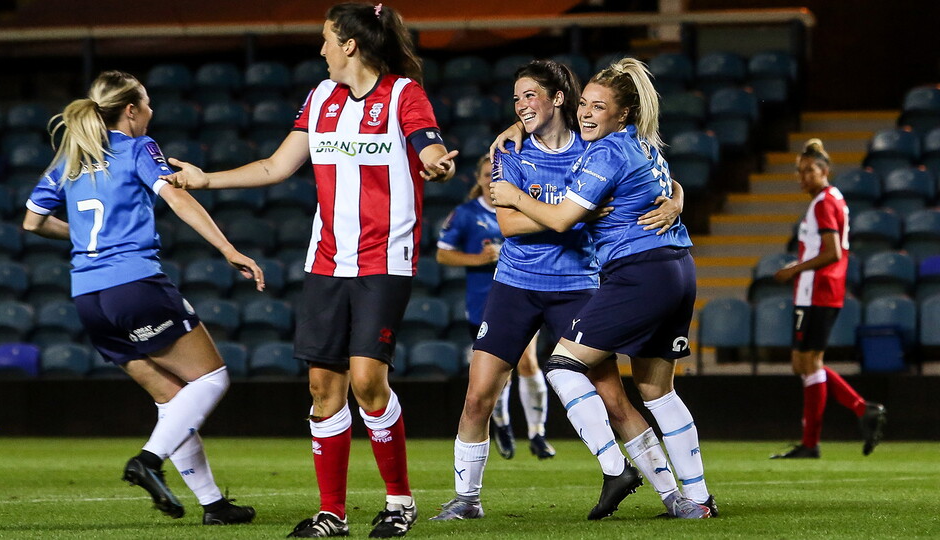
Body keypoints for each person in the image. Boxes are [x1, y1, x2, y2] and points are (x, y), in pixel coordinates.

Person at [162, 3, 457, 537]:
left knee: (368, 381)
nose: (320, 48)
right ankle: (333, 514)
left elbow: (427, 144)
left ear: (349, 44)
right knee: (324, 385)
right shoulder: (321, 98)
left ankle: (398, 503)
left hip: (384, 261)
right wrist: (207, 181)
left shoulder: (402, 94)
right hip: (326, 261)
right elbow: (277, 165)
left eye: (326, 38)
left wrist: (436, 161)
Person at [432, 59, 701, 523]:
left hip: (580, 284)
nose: (521, 106)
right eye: (515, 100)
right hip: (515, 284)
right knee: (478, 396)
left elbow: (649, 174)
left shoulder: (595, 143)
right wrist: (578, 213)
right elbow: (508, 225)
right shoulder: (509, 152)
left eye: (529, 96)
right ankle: (466, 499)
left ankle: (673, 496)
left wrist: (675, 200)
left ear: (559, 99)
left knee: (615, 399)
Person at [22, 70, 262, 526]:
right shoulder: (137, 148)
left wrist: (83, 241)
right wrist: (229, 249)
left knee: (173, 401)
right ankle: (148, 461)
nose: (151, 111)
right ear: (130, 111)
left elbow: (32, 223)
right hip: (135, 286)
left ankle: (213, 506)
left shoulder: (71, 159)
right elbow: (175, 198)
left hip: (89, 298)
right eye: (146, 103)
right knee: (211, 380)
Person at [770, 139, 887, 459]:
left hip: (816, 291)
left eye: (809, 170)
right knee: (804, 363)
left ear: (825, 171)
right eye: (799, 171)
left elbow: (832, 251)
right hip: (823, 291)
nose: (802, 176)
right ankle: (861, 410)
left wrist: (795, 269)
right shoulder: (833, 199)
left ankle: (814, 441)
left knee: (810, 363)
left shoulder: (823, 203)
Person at [436, 153, 554, 461]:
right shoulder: (465, 214)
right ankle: (502, 425)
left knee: (527, 362)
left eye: (496, 175)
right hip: (483, 303)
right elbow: (443, 255)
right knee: (496, 372)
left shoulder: (521, 209)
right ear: (478, 179)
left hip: (523, 296)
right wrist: (479, 259)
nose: (492, 179)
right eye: (487, 174)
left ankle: (538, 433)